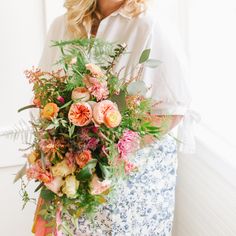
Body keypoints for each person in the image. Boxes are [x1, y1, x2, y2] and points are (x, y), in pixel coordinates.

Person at [35, 0, 190, 235]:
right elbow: (44, 99)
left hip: (132, 187)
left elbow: (173, 109)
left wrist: (111, 153)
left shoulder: (151, 25)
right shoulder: (62, 25)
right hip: (72, 180)